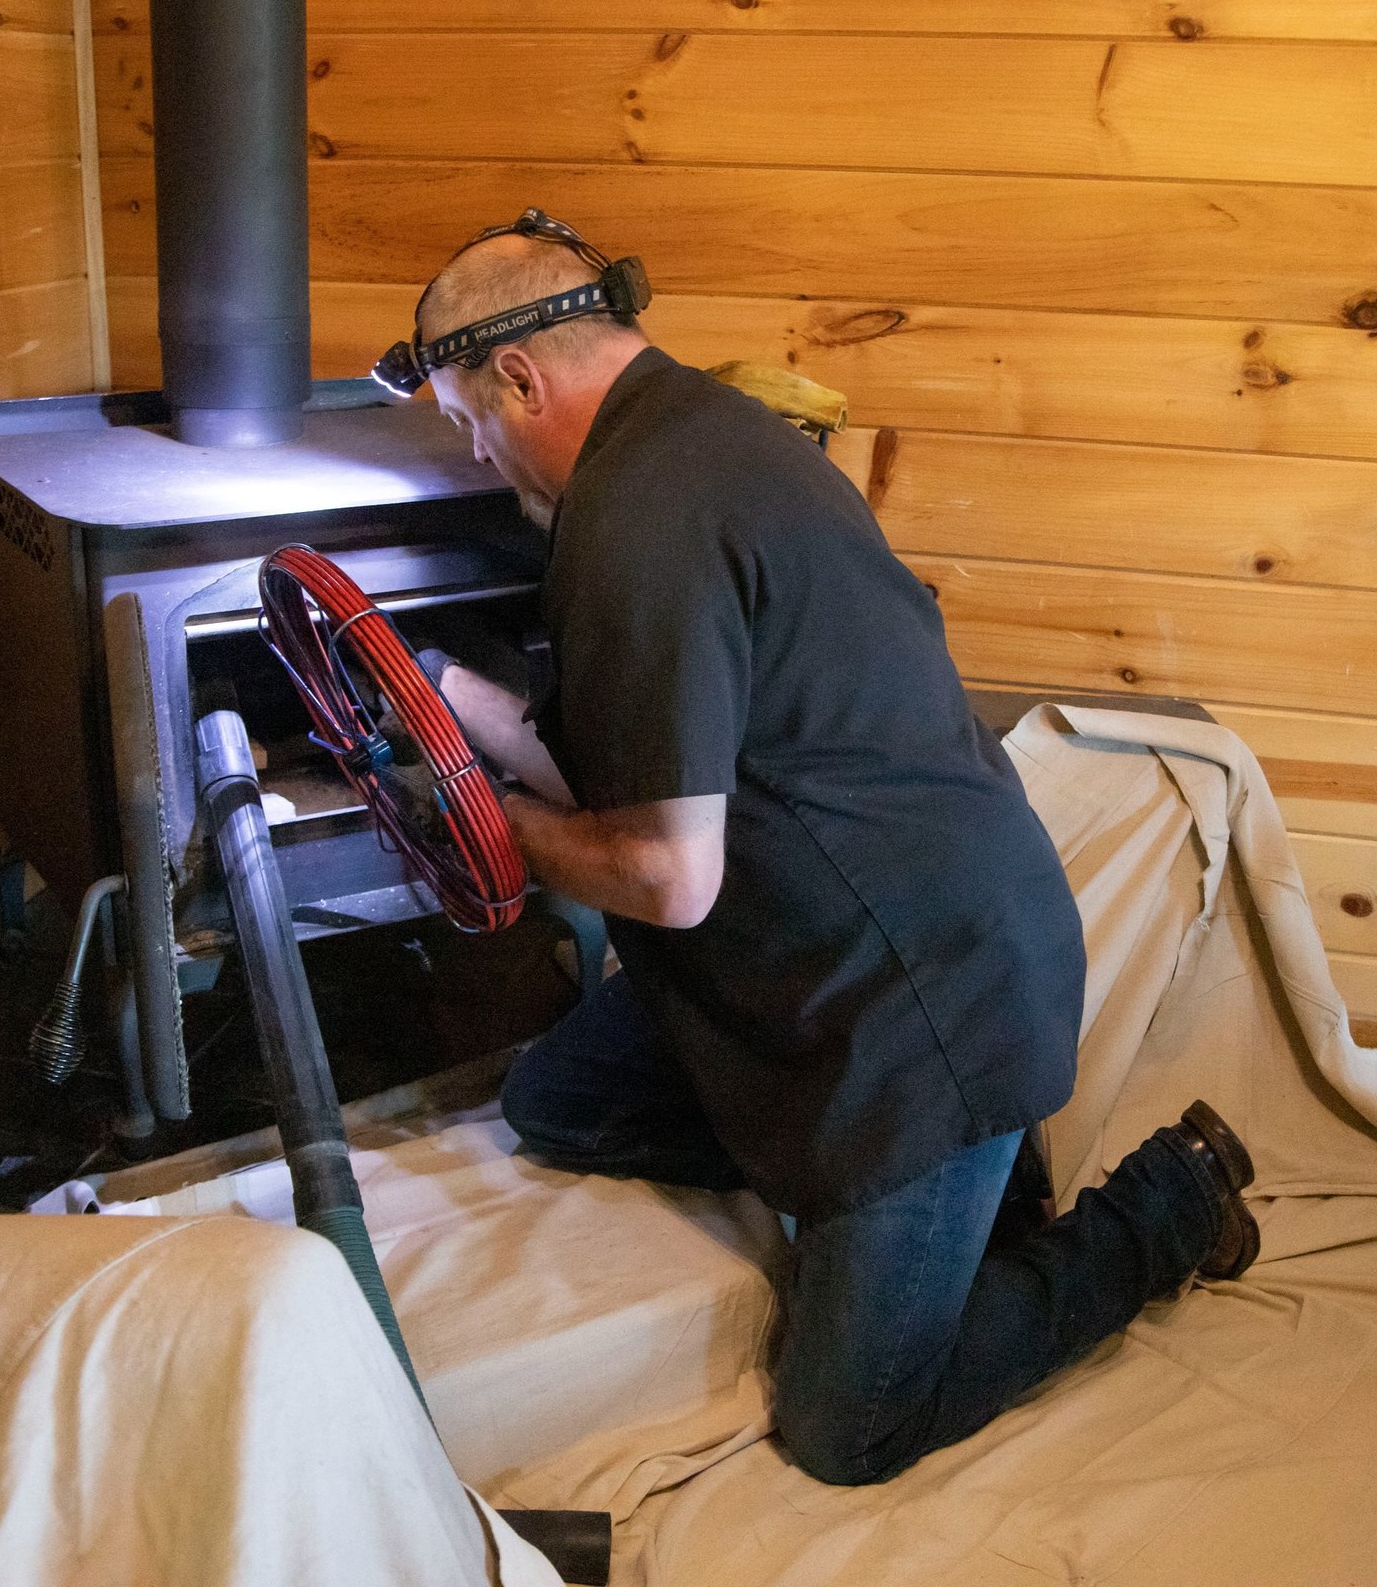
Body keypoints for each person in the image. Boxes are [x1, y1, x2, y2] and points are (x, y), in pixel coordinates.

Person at [389, 211, 1260, 1486]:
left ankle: (1166, 1202)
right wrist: (436, 693)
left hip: (915, 1005)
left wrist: (494, 830)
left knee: (848, 1428)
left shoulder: (639, 519)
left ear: (519, 375)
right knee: (557, 1101)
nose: (478, 449)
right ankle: (954, 1206)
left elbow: (666, 878)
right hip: (830, 945)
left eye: (470, 419)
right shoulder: (707, 434)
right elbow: (642, 763)